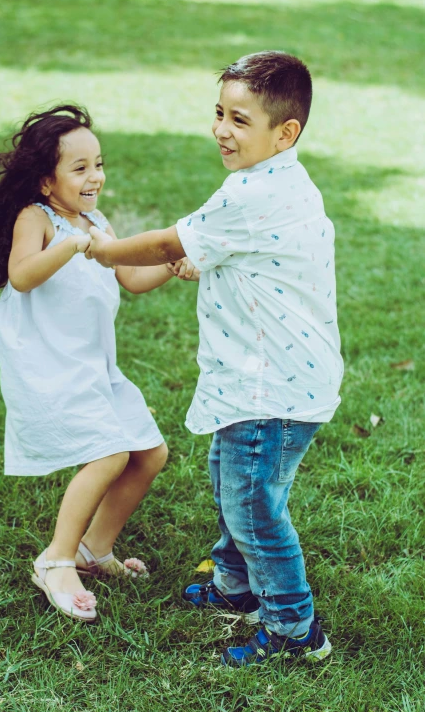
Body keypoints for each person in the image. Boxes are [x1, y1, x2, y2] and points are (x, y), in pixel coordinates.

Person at [85, 52, 343, 663]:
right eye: (219, 114)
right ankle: (236, 585)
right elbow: (230, 249)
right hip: (269, 376)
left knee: (253, 502)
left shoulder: (252, 193)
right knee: (236, 482)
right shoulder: (281, 180)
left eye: (240, 120)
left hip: (270, 383)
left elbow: (168, 243)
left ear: (286, 132)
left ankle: (292, 628)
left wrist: (105, 249)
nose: (222, 130)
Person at [0, 104, 196, 623]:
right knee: (110, 453)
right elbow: (22, 276)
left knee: (149, 454)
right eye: (80, 168)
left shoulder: (97, 222)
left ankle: (95, 550)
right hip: (48, 369)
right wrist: (71, 245)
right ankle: (56, 560)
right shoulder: (38, 219)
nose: (96, 176)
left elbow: (130, 278)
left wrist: (170, 264)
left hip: (94, 369)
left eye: (99, 163)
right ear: (47, 182)